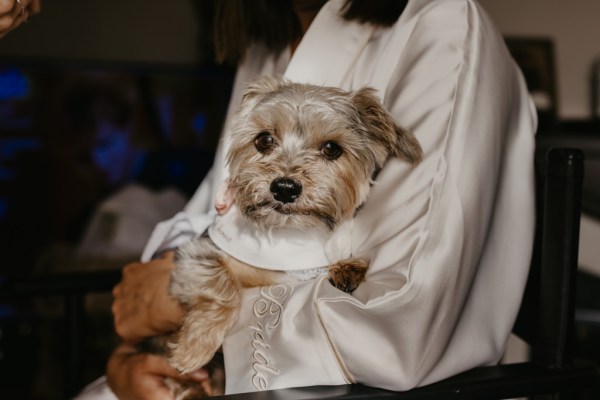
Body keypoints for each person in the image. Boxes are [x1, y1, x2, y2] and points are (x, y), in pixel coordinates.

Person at [77, 0, 537, 398]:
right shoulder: (268, 43)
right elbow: (213, 218)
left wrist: (182, 303)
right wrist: (125, 364)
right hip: (195, 366)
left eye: (331, 149)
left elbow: (401, 327)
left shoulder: (442, 26)